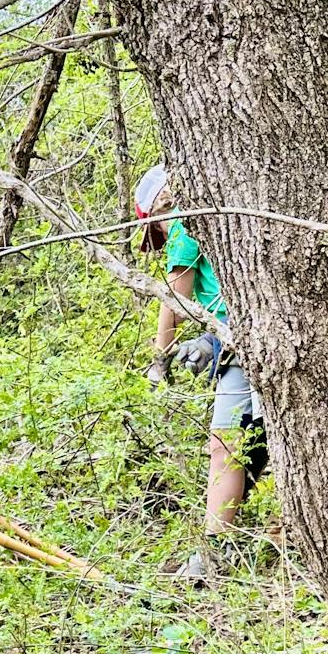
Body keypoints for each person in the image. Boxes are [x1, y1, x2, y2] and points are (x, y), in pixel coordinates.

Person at [135, 163, 267, 582]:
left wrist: (159, 360)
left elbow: (175, 297)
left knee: (226, 444)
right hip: (235, 339)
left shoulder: (182, 225)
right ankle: (221, 543)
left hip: (245, 340)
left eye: (155, 235)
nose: (161, 243)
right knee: (238, 442)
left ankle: (216, 549)